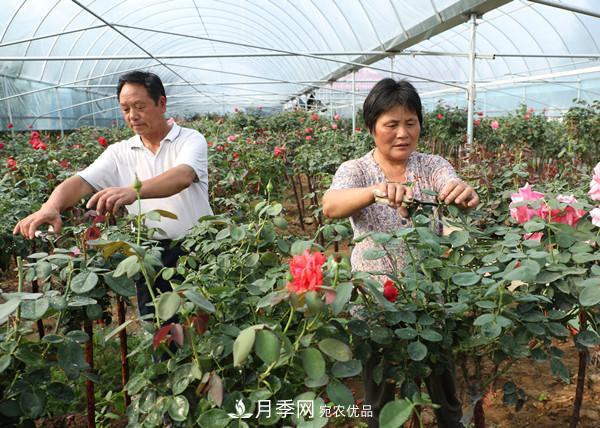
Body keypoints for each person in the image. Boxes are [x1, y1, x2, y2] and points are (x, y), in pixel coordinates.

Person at [323, 78, 479, 428]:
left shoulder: (431, 165)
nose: (402, 133)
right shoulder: (357, 170)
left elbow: (450, 184)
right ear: (371, 128)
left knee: (445, 397)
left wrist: (463, 192)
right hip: (376, 302)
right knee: (380, 398)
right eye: (391, 124)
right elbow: (331, 204)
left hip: (428, 300)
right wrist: (375, 192)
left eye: (411, 123)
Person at [13, 70, 213, 318]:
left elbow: (182, 176)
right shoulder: (120, 151)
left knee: (199, 316)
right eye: (125, 109)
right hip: (148, 252)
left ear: (161, 103)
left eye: (139, 106)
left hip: (197, 245)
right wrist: (50, 207)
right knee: (159, 322)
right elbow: (81, 180)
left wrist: (132, 192)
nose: (132, 116)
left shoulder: (190, 139)